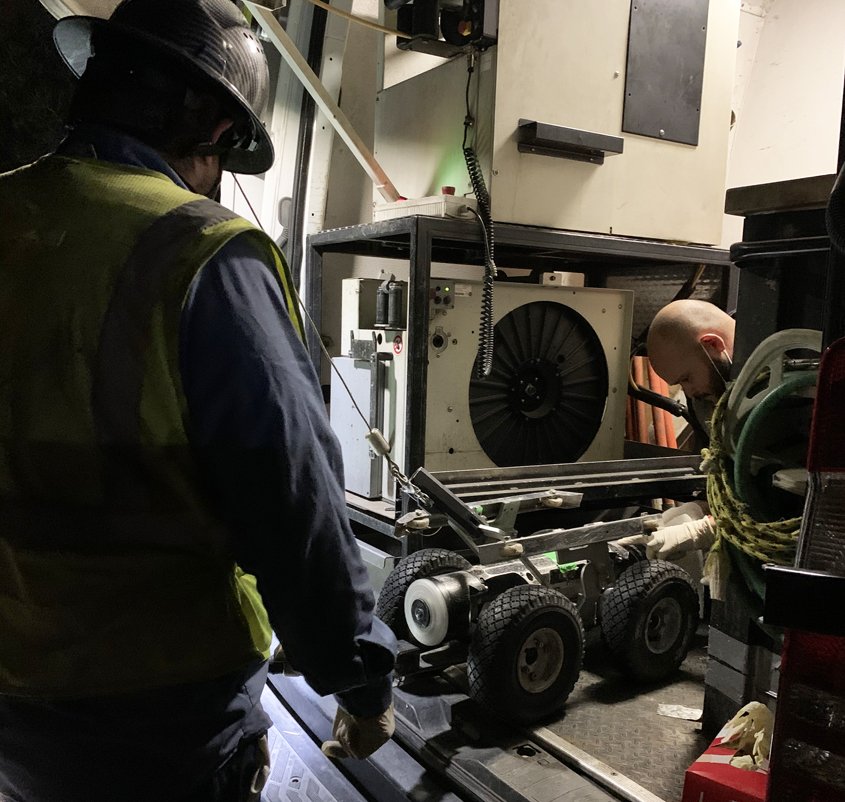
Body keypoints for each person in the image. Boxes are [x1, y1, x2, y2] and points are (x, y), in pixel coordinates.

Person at [0, 2, 396, 801]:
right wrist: (360, 683)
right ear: (214, 133)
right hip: (161, 706)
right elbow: (291, 505)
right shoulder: (199, 251)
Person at [618, 300, 735, 564]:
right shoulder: (704, 403)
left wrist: (707, 528)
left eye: (687, 378)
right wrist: (698, 510)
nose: (689, 392)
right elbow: (727, 484)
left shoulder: (795, 387)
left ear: (713, 345)